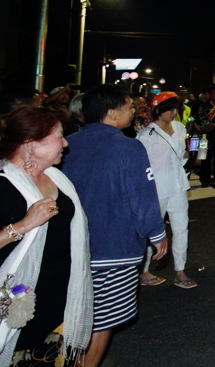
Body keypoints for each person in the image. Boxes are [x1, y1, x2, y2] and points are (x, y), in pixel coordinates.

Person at [62, 85, 167, 367]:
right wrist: (157, 234)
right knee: (102, 320)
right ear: (112, 113)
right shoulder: (129, 147)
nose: (134, 111)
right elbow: (142, 196)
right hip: (114, 248)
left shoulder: (68, 144)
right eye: (129, 106)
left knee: (77, 312)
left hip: (72, 248)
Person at [0, 107, 92, 366]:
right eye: (59, 137)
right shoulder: (4, 185)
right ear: (30, 145)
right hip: (16, 304)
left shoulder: (56, 178)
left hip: (58, 299)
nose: (65, 144)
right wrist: (23, 225)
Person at [136, 92, 197, 289]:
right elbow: (141, 165)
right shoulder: (147, 134)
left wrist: (189, 154)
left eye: (176, 108)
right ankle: (143, 271)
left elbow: (179, 155)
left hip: (178, 185)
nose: (174, 112)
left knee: (181, 228)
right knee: (153, 230)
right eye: (170, 108)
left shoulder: (179, 128)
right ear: (158, 110)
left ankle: (180, 271)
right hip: (157, 188)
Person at [194, 84, 215, 187]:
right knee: (205, 158)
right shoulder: (203, 106)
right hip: (205, 136)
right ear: (209, 94)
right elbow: (203, 122)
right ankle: (205, 179)